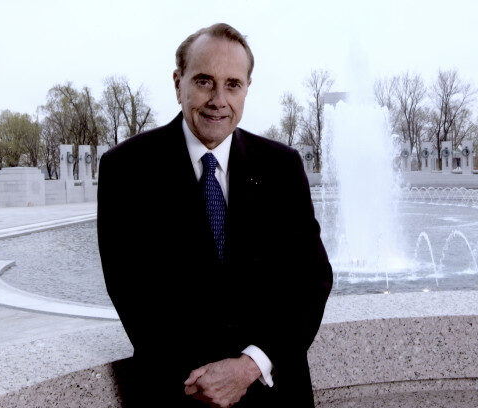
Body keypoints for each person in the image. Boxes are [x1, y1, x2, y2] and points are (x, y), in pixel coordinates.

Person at [97, 23, 333, 407]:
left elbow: (311, 280)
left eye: (233, 84)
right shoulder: (126, 168)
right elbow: (130, 290)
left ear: (246, 89)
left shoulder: (282, 167)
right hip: (180, 393)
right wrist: (209, 380)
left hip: (273, 393)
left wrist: (249, 366)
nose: (219, 100)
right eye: (205, 81)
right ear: (179, 83)